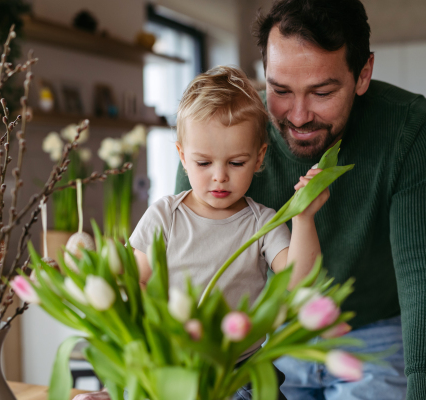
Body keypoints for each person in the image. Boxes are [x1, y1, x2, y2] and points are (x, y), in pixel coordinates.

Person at [175, 1, 426, 399]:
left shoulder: (408, 128)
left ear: (362, 74)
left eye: (322, 92)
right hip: (263, 341)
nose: (297, 115)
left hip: (371, 334)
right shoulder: (222, 136)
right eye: (279, 90)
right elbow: (176, 272)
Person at [72, 66, 330, 400]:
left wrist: (304, 218)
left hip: (241, 373)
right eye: (204, 163)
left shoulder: (262, 223)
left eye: (236, 163)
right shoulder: (165, 217)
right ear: (182, 157)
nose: (219, 177)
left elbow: (299, 282)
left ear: (258, 158)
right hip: (172, 363)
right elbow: (133, 289)